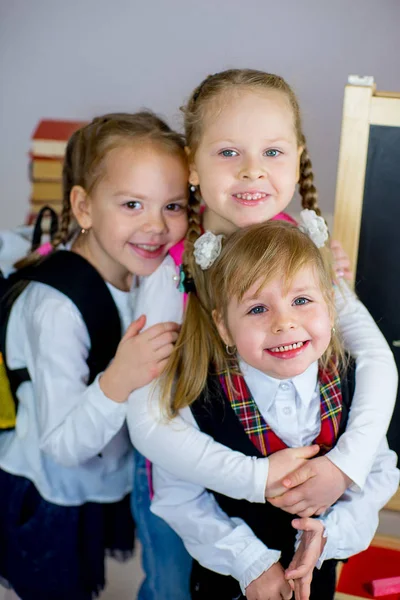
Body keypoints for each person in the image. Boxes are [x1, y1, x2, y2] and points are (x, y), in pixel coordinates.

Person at [127, 68, 398, 514]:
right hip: (192, 493)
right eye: (229, 152)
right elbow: (148, 419)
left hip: (300, 480)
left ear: (297, 158)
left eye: (272, 151)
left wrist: (346, 466)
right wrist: (256, 478)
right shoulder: (173, 273)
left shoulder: (308, 249)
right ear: (194, 164)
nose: (253, 170)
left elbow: (375, 358)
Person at [151, 220, 399, 600]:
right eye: (257, 308)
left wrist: (330, 535)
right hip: (229, 584)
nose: (284, 323)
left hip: (316, 577)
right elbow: (179, 497)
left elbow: (379, 470)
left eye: (301, 300)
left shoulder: (353, 383)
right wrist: (249, 561)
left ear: (330, 308)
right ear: (224, 327)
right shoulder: (199, 397)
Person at [0, 112, 191, 600]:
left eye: (173, 205)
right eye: (132, 204)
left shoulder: (143, 269)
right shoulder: (56, 309)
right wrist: (118, 378)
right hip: (51, 493)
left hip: (106, 477)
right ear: (83, 207)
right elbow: (60, 445)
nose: (155, 226)